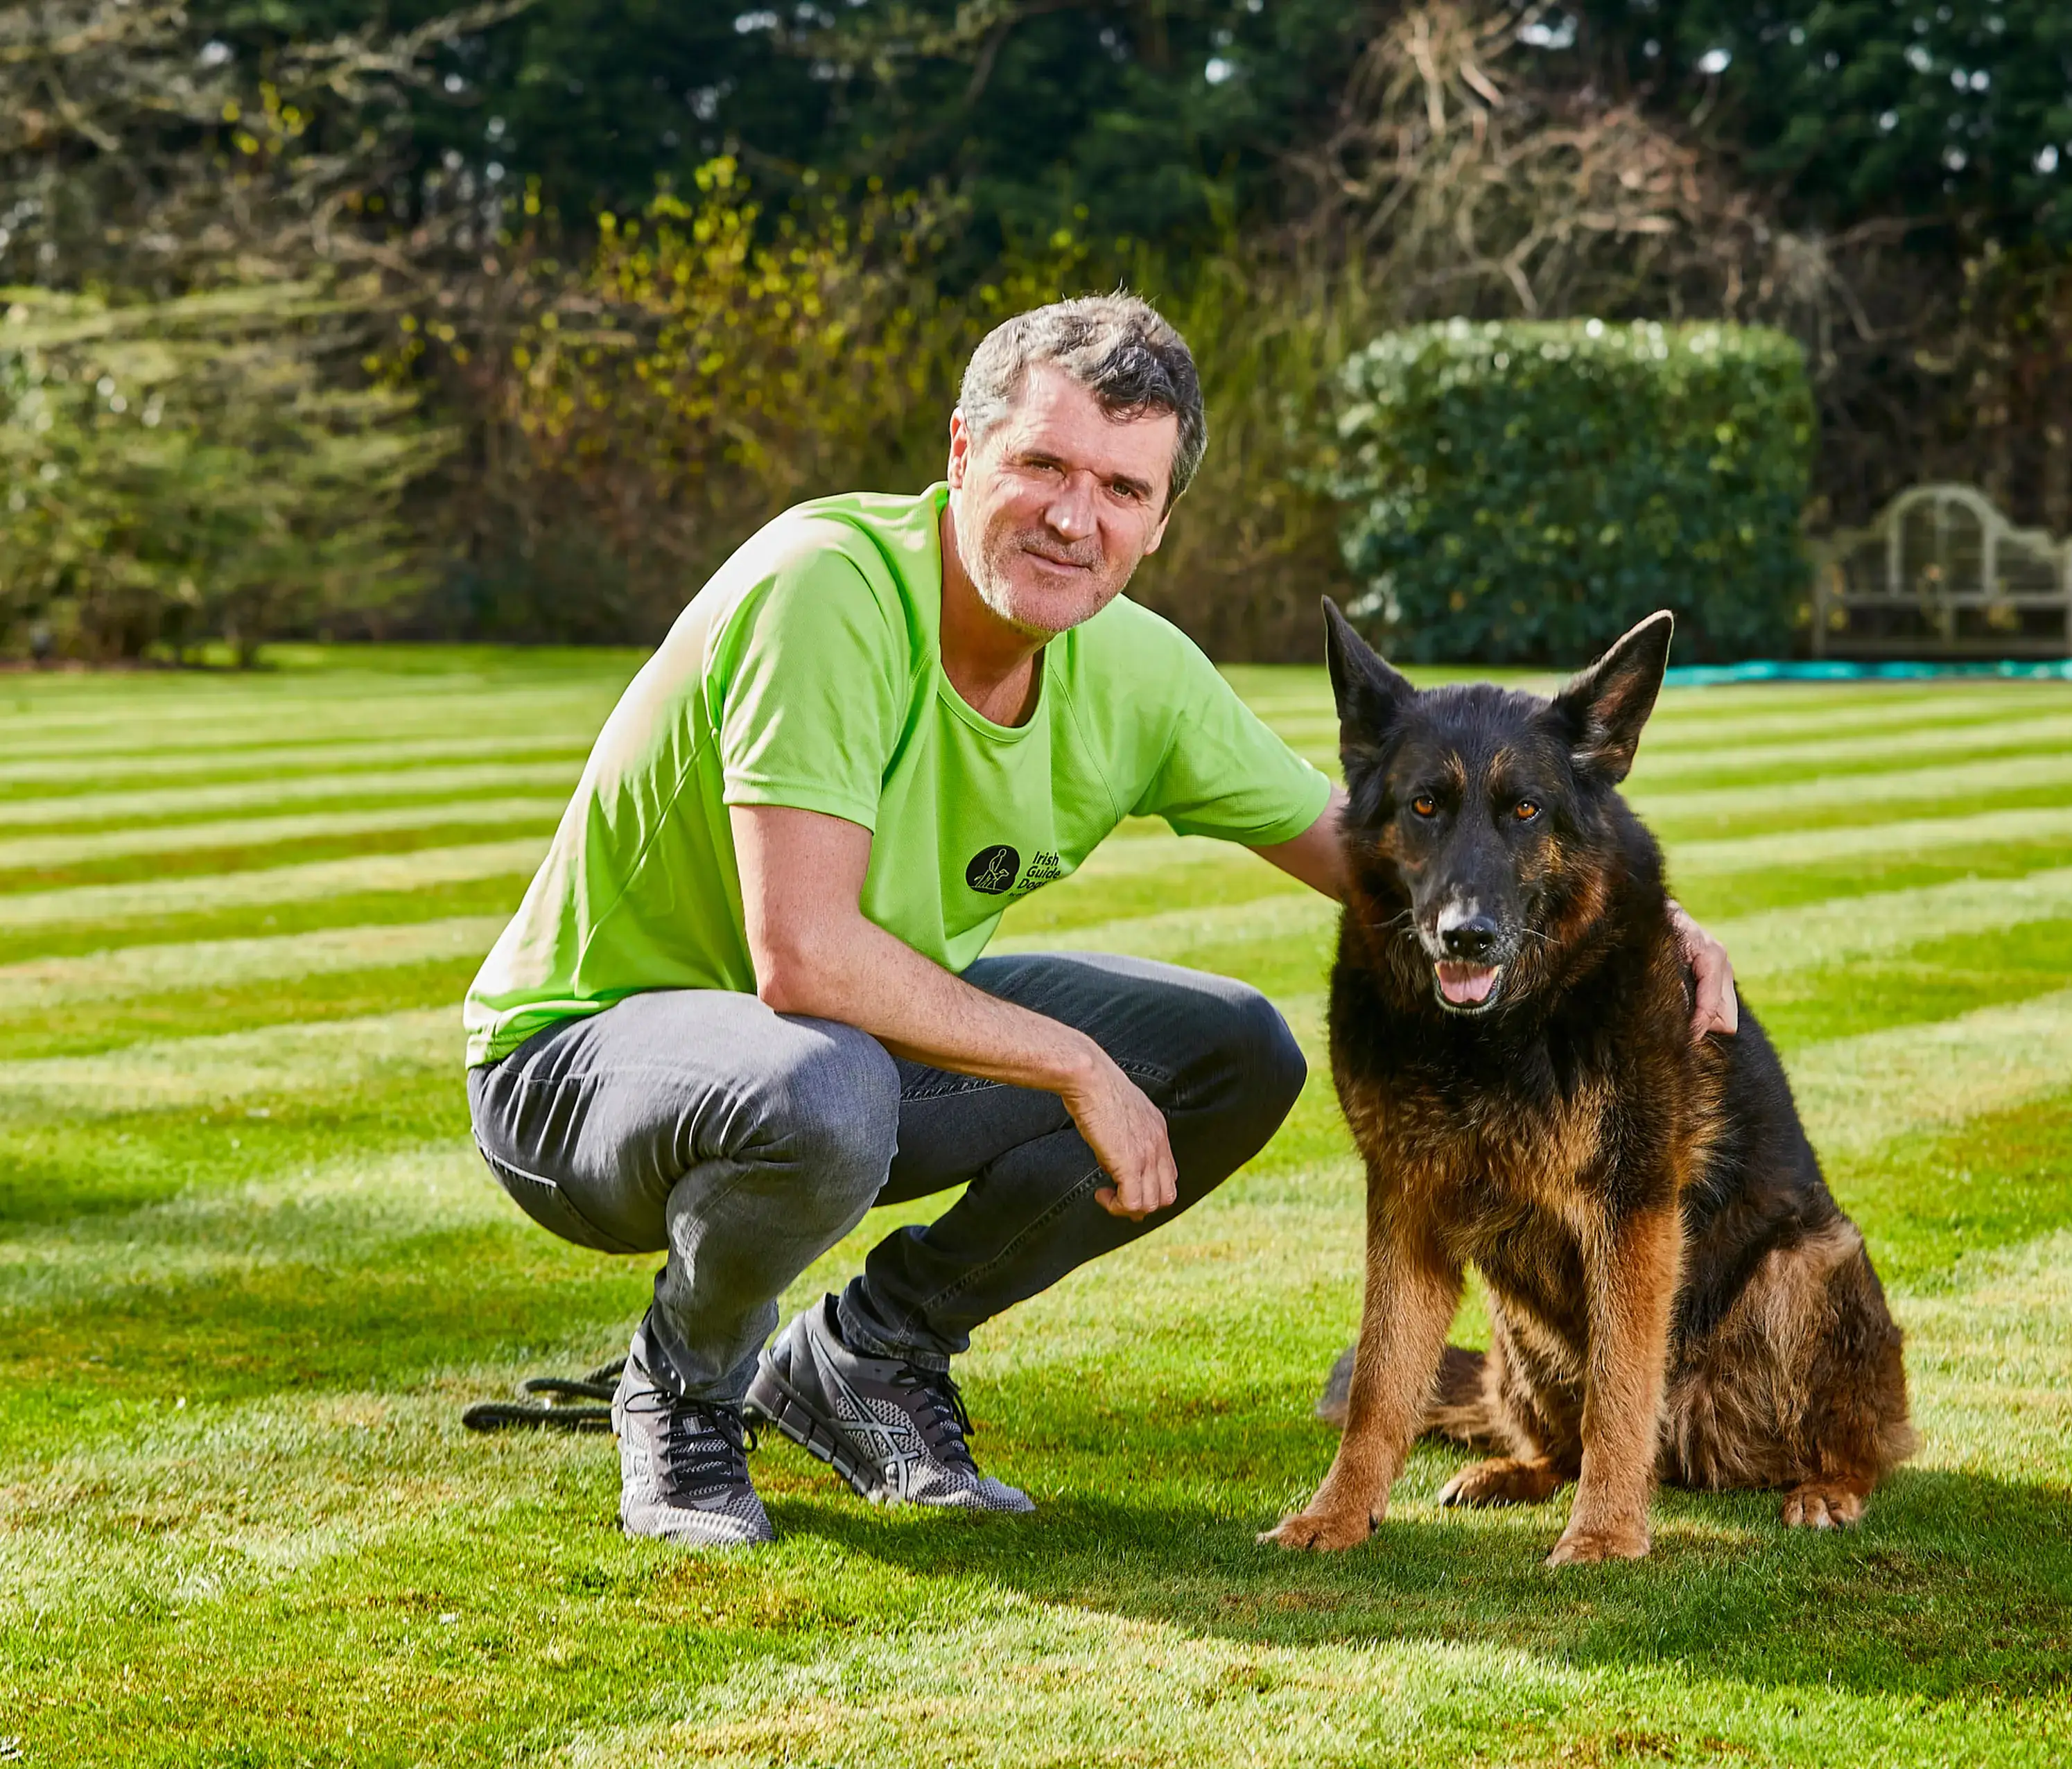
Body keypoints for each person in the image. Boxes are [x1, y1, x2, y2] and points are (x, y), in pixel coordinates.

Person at [462, 295, 1741, 1546]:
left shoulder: (1132, 665)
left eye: (1124, 491)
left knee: (1233, 1054)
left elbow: (1381, 855)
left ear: (1161, 518)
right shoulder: (830, 592)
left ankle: (866, 1357)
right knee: (830, 1083)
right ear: (963, 455)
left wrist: (1649, 920)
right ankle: (684, 1390)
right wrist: (1076, 1066)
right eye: (1044, 466)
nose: (1077, 519)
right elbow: (804, 955)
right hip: (579, 1065)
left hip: (818, 1048)